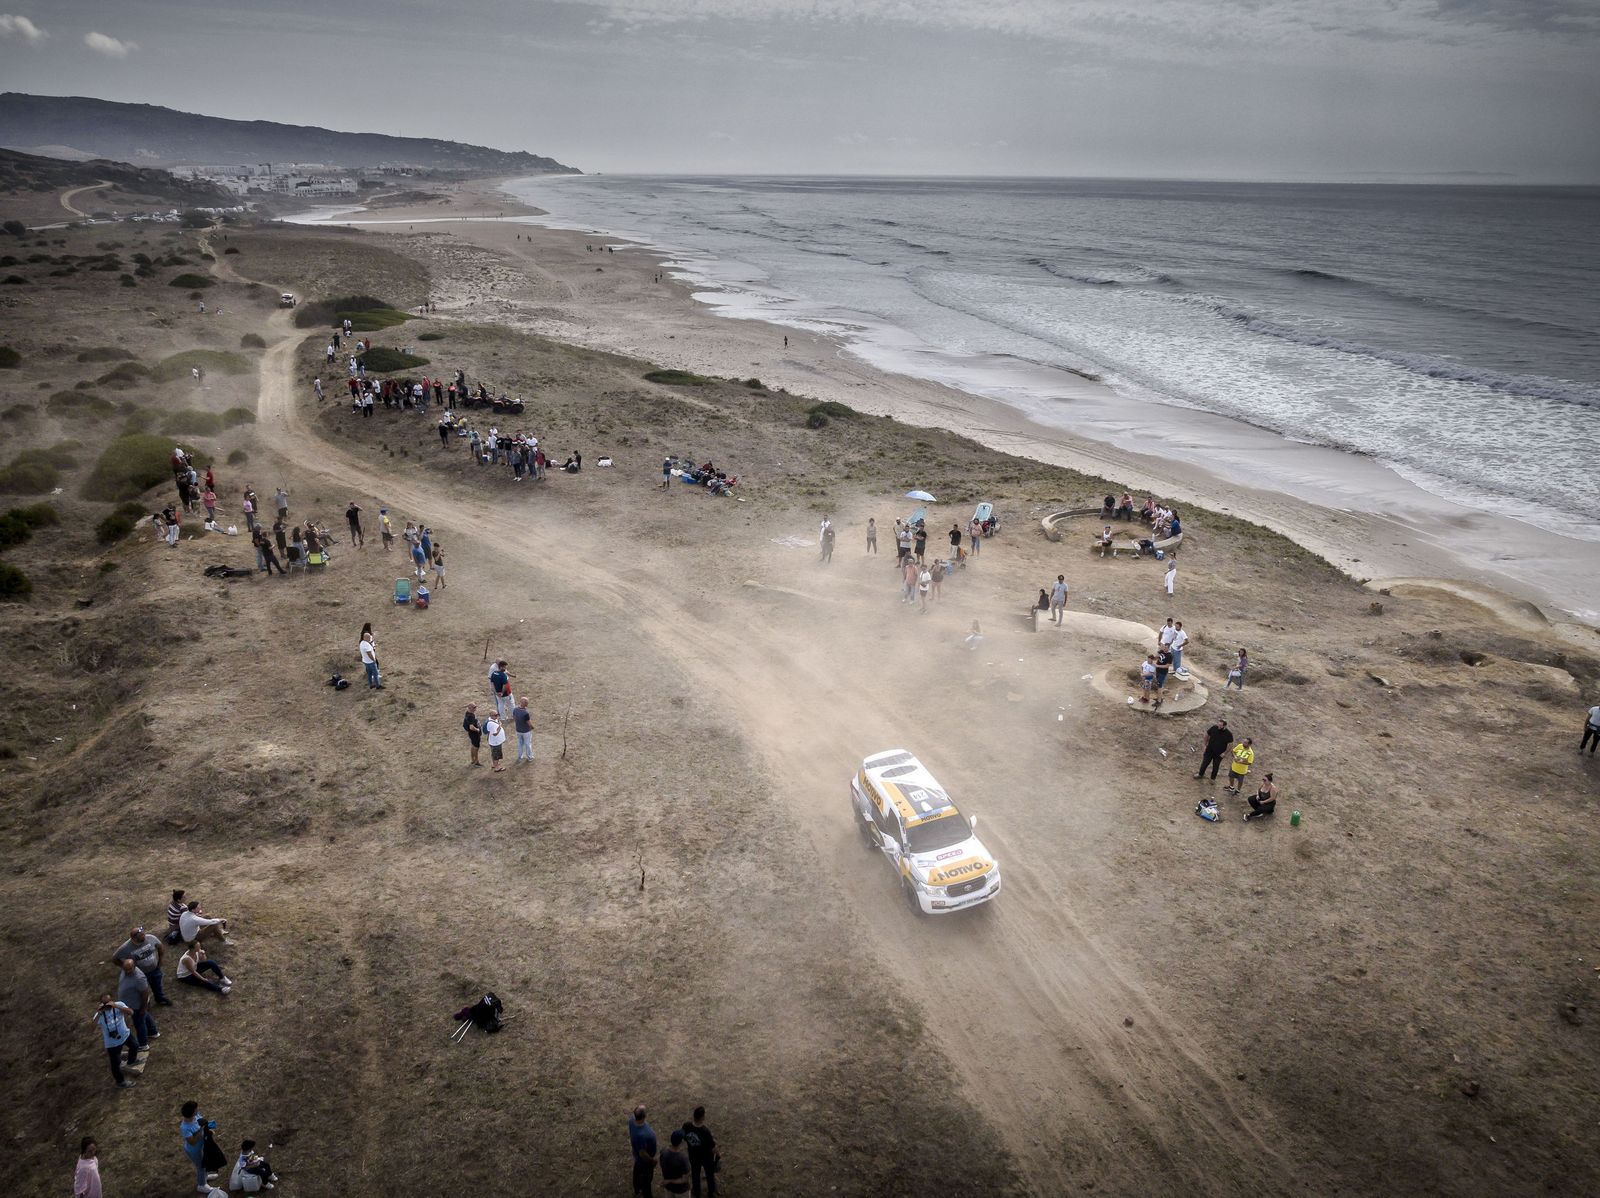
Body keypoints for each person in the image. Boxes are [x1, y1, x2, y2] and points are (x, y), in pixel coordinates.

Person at [113, 926, 170, 1007]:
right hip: (141, 974)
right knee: (142, 990)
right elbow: (115, 958)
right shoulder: (126, 947)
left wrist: (160, 960)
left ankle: (160, 998)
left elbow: (160, 946)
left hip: (154, 969)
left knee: (157, 985)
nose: (144, 936)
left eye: (143, 934)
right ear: (134, 938)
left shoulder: (151, 938)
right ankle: (146, 1004)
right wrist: (124, 966)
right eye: (141, 936)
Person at [92, 996, 140, 1088]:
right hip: (112, 1043)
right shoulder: (100, 1014)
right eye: (105, 1004)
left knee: (135, 1046)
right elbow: (92, 1028)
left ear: (112, 1001)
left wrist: (116, 1006)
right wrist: (99, 1013)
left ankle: (131, 1061)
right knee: (116, 1064)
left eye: (108, 1003)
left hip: (125, 1035)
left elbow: (131, 1012)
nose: (107, 1006)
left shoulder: (119, 1005)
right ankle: (120, 1082)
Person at [116, 958, 157, 1055]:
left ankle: (143, 1044)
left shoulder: (139, 978)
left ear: (134, 966)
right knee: (144, 1016)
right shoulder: (125, 970)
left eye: (130, 969)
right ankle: (153, 1032)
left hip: (136, 1005)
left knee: (139, 1023)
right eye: (125, 969)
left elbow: (145, 994)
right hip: (131, 1003)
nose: (127, 971)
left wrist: (143, 1008)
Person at [178, 1101, 218, 1194]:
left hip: (201, 1146)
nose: (197, 1111)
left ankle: (205, 1177)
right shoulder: (185, 1128)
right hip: (194, 1150)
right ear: (192, 1113)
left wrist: (208, 1130)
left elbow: (202, 1122)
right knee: (200, 1167)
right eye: (195, 1110)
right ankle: (201, 1185)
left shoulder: (196, 1116)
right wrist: (200, 1129)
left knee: (205, 1163)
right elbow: (192, 1142)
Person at [687, 1107, 719, 1197]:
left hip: (693, 1156)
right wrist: (718, 1154)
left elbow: (685, 1137)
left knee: (695, 1175)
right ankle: (711, 1192)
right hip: (706, 1158)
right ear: (702, 1117)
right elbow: (713, 1148)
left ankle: (696, 1192)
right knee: (709, 1175)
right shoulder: (705, 1132)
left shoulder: (687, 1126)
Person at [630, 1106, 658, 1198]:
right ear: (644, 1116)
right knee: (646, 1181)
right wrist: (652, 1161)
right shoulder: (642, 1135)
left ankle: (637, 1189)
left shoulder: (631, 1120)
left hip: (637, 1157)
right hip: (645, 1162)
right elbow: (642, 1154)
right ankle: (646, 1194)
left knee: (637, 1173)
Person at [660, 1130, 691, 1196]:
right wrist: (670, 1181)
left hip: (668, 1187)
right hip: (680, 1190)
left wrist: (667, 1181)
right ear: (681, 1142)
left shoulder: (663, 1151)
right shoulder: (683, 1159)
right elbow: (684, 1179)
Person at [513, 697, 534, 765]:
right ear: (524, 703)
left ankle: (520, 757)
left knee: (520, 744)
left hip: (518, 730)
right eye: (526, 702)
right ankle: (529, 757)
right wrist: (532, 727)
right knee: (528, 744)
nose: (527, 704)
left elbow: (514, 718)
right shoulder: (525, 713)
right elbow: (529, 723)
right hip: (526, 731)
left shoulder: (515, 709)